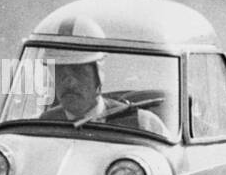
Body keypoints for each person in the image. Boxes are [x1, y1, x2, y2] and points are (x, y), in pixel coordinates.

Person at [39, 49, 170, 138]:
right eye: (60, 72)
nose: (69, 83)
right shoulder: (43, 125)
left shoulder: (143, 124)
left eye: (78, 71)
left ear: (98, 76)